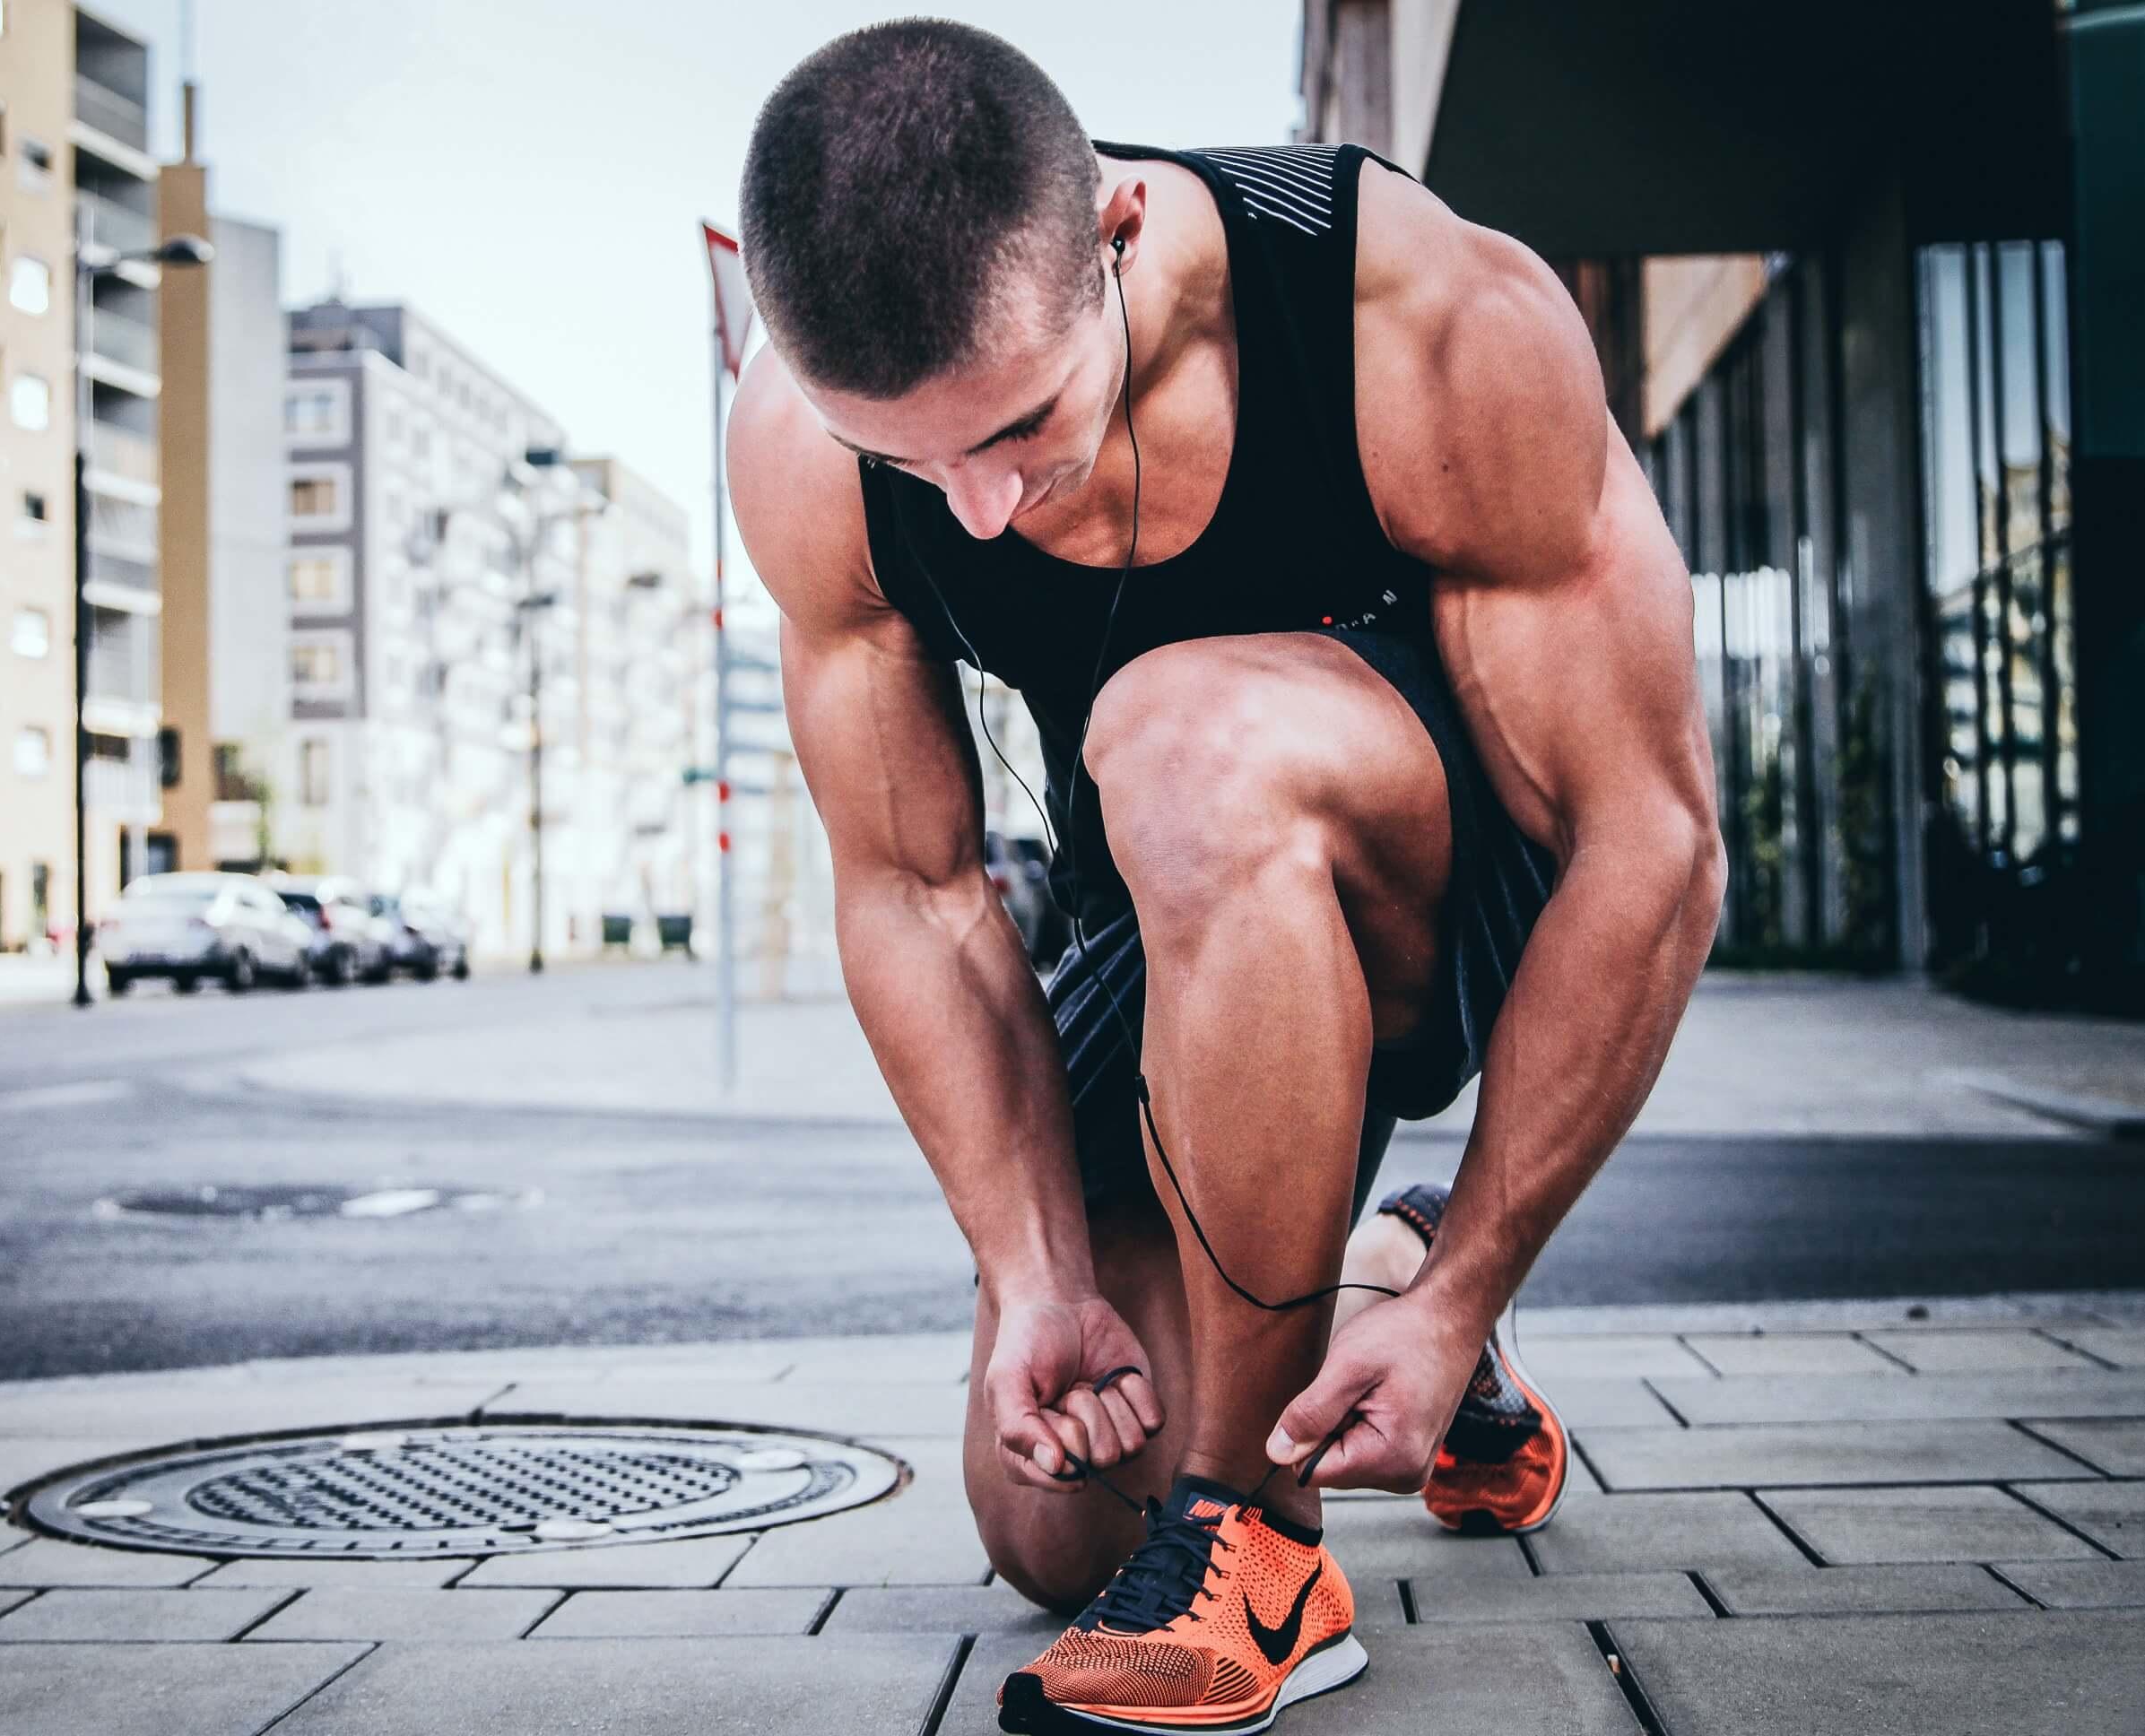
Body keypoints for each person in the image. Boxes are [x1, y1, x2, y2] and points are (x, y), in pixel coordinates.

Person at [725, 21, 1724, 1734]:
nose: (971, 511)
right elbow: (915, 890)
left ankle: (1257, 1548)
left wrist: (1496, 1255)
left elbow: (1652, 841)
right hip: (1169, 907)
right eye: (912, 463)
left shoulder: (1408, 313)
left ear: (1116, 233)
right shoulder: (807, 441)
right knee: (1051, 1519)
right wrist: (1033, 1271)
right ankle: (1376, 1296)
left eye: (1020, 426)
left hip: (1445, 882)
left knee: (1178, 732)